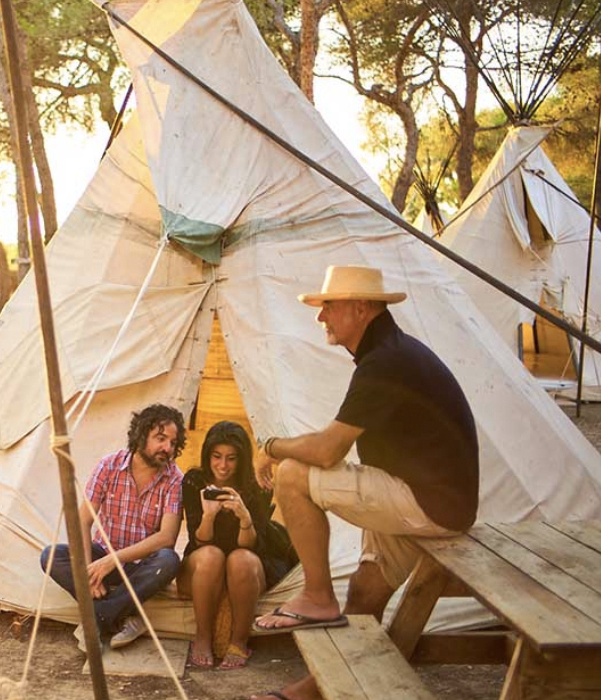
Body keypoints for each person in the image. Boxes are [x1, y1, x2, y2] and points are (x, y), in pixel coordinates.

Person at [248, 265, 478, 700]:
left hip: (429, 502)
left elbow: (326, 451)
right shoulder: (389, 354)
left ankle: (317, 596)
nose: (321, 318)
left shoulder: (388, 362)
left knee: (293, 475)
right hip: (432, 498)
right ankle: (320, 688)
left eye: (328, 307)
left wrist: (271, 446)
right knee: (366, 587)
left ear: (361, 307)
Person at [39, 403, 186, 648]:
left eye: (172, 442)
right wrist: (89, 573)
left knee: (168, 560)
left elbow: (166, 537)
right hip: (101, 554)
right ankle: (124, 615)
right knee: (51, 555)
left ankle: (98, 618)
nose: (167, 448)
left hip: (140, 566)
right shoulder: (109, 466)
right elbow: (82, 522)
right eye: (161, 439)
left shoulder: (174, 479)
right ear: (141, 434)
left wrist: (113, 561)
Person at [178, 421, 289, 670]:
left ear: (242, 459)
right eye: (217, 457)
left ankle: (239, 641)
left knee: (240, 558)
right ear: (208, 455)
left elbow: (253, 548)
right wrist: (208, 516)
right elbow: (198, 541)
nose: (223, 465)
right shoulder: (194, 481)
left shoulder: (257, 486)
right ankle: (203, 638)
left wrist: (244, 518)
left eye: (231, 458)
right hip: (204, 563)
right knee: (211, 555)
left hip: (245, 565)